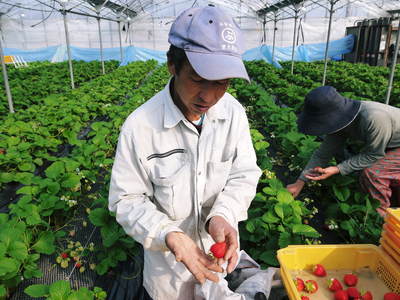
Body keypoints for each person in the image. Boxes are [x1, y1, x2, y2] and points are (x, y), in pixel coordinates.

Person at [108, 5, 261, 300]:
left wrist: (222, 215)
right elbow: (125, 200)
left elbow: (244, 173)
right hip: (167, 268)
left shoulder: (233, 114)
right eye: (197, 78)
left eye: (221, 83)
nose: (209, 96)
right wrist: (169, 234)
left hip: (218, 259)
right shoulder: (141, 126)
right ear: (172, 65)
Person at [286, 86, 400, 216]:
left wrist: (337, 169)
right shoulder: (340, 119)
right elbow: (322, 154)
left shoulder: (374, 117)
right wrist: (299, 183)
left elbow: (373, 154)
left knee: (373, 173)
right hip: (391, 141)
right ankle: (395, 208)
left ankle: (382, 221)